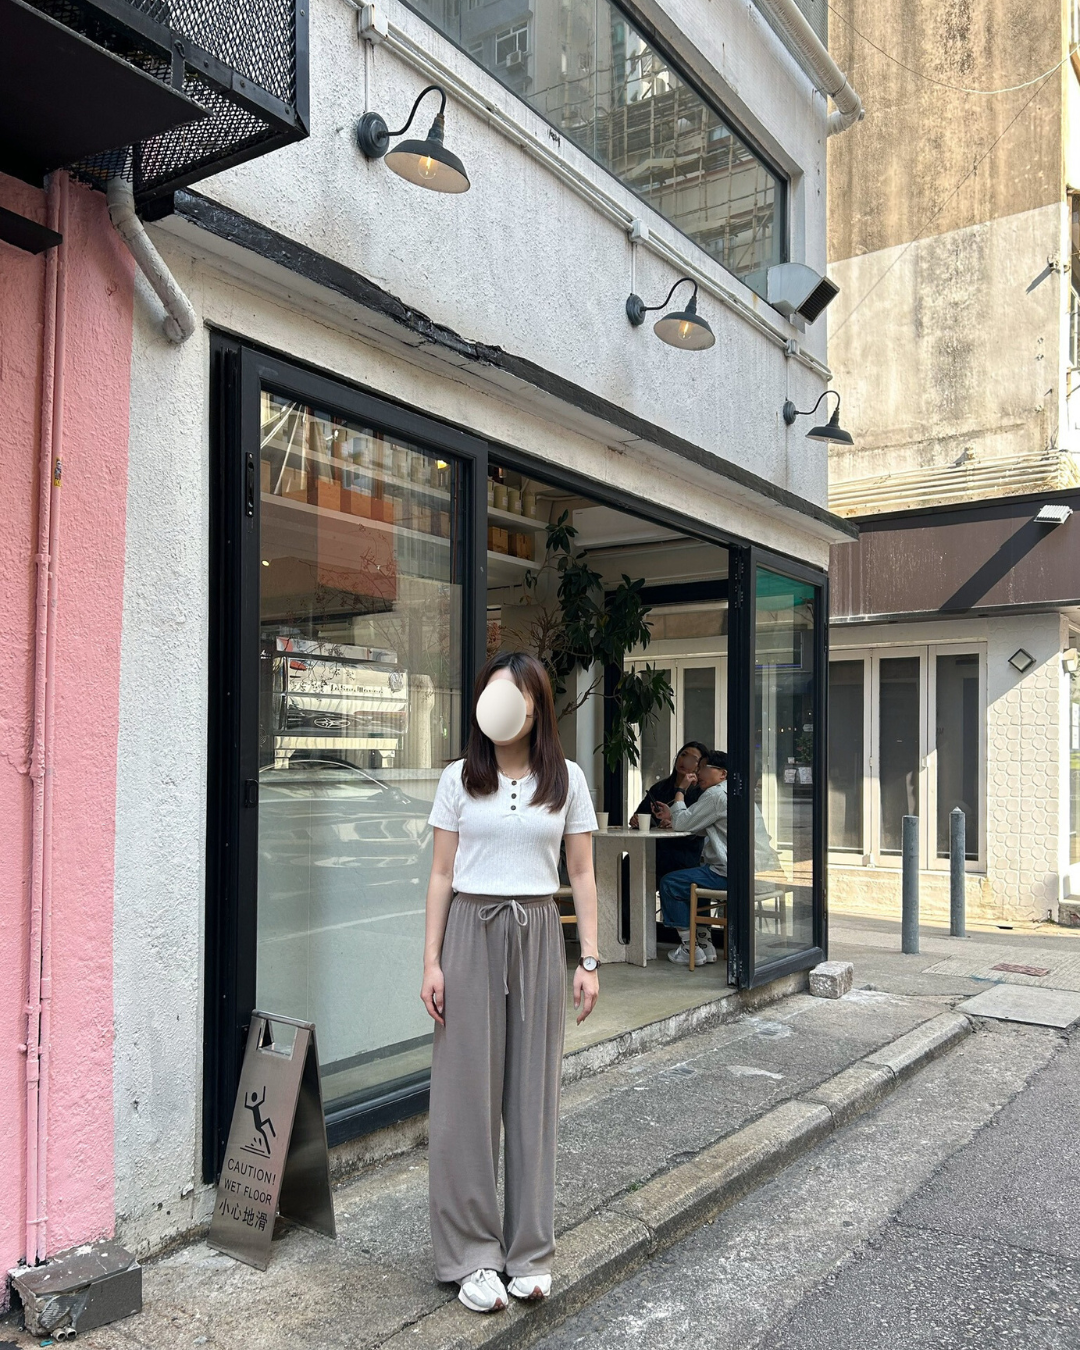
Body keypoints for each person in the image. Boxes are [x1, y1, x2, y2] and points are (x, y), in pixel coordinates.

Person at [420, 651, 600, 1315]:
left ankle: (528, 1251)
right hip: (471, 929)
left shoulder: (567, 779)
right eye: (491, 693)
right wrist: (431, 960)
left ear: (536, 706)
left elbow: (581, 872)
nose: (499, 706)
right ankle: (471, 1254)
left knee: (533, 1096)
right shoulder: (458, 778)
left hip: (538, 931)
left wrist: (589, 959)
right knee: (464, 1098)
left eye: (513, 695)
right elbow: (442, 873)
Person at [654, 750, 731, 965]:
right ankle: (704, 943)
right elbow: (698, 824)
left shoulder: (715, 794)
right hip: (745, 871)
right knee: (694, 876)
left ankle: (690, 948)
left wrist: (680, 791)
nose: (699, 773)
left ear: (722, 773)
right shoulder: (733, 792)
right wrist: (674, 817)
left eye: (704, 768)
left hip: (725, 873)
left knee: (670, 883)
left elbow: (683, 824)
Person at [629, 741, 710, 885]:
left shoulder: (702, 792)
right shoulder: (660, 788)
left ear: (700, 766)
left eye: (692, 759)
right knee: (627, 866)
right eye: (683, 755)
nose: (685, 761)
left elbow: (698, 826)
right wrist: (637, 820)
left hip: (683, 853)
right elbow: (643, 814)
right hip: (655, 851)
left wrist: (675, 823)